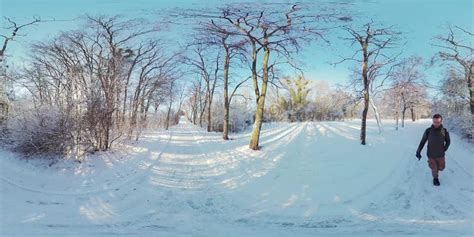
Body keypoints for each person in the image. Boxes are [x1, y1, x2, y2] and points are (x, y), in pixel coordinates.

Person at [416, 114, 451, 186]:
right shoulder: (428, 131)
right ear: (432, 121)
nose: (436, 124)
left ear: (441, 121)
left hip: (440, 154)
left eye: (438, 122)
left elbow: (448, 141)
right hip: (431, 154)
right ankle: (435, 178)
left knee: (441, 168)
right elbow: (422, 141)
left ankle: (437, 169)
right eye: (434, 122)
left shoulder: (443, 131)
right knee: (434, 168)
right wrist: (418, 151)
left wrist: (444, 149)